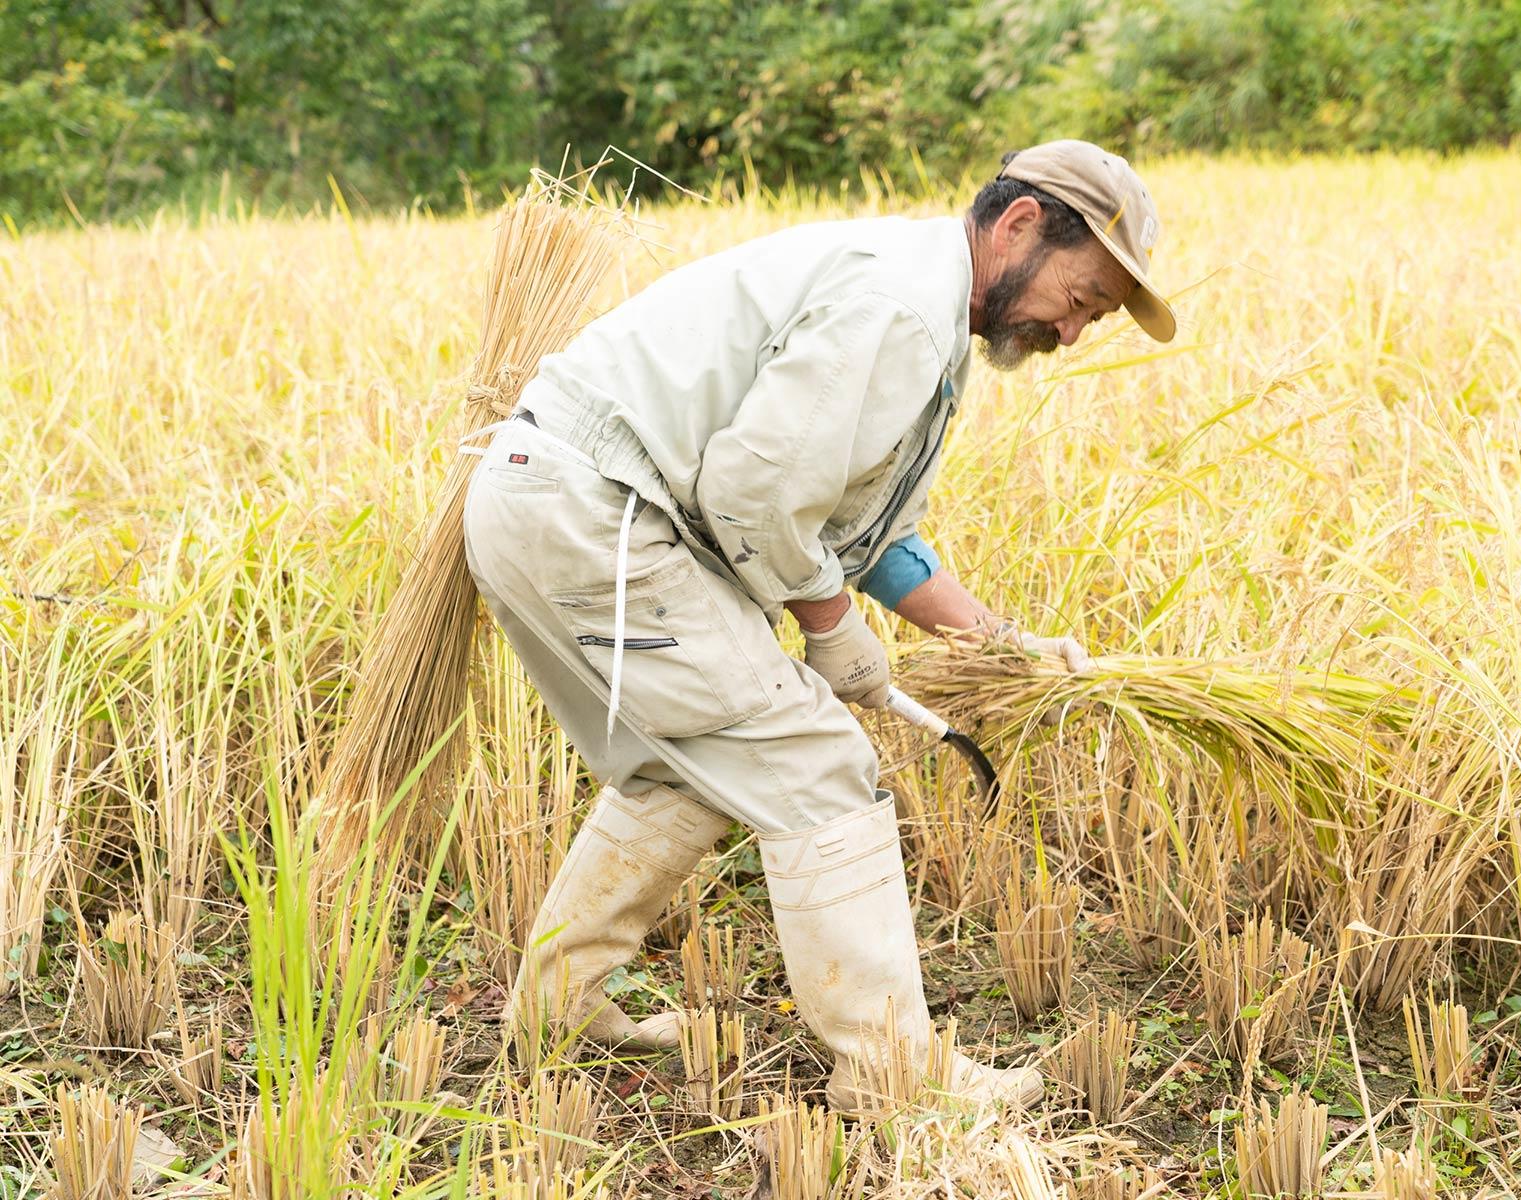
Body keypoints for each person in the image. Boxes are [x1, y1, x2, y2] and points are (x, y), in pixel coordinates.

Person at [461, 139, 1176, 1115]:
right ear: (1019, 227)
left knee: (685, 769)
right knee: (819, 762)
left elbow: (866, 533)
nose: (1074, 330)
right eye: (1081, 296)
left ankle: (556, 1009)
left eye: (1093, 316)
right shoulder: (901, 309)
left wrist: (997, 643)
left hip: (550, 505)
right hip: (592, 516)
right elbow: (753, 494)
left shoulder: (920, 304)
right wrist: (831, 627)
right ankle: (888, 1074)